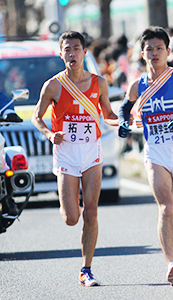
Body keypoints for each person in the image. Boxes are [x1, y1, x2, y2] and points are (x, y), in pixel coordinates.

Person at [118, 26, 173, 286]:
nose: (154, 52)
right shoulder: (138, 85)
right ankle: (172, 264)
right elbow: (125, 109)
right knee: (165, 209)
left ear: (169, 51)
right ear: (142, 53)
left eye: (159, 48)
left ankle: (172, 259)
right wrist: (125, 124)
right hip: (155, 152)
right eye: (149, 49)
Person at [31, 31, 119, 287]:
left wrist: (123, 122)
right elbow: (37, 116)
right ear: (61, 54)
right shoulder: (53, 85)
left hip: (92, 153)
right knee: (72, 218)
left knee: (91, 213)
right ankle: (69, 204)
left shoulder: (99, 83)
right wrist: (49, 133)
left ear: (84, 52)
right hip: (66, 154)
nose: (72, 53)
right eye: (67, 49)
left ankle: (86, 270)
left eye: (76, 48)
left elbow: (109, 113)